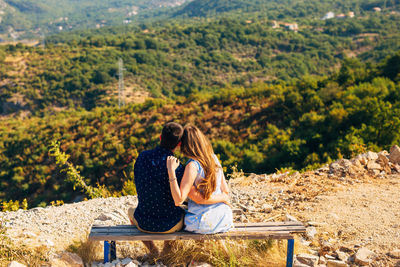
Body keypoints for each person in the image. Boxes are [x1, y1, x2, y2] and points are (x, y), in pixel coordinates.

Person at [128, 122, 230, 256]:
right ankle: (168, 251)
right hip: (170, 225)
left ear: (160, 137)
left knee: (130, 211)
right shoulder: (180, 167)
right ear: (179, 144)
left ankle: (153, 251)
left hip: (144, 222)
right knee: (181, 213)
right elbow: (185, 198)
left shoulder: (142, 157)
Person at [166, 124, 233, 234]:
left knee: (179, 216)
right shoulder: (214, 158)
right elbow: (225, 191)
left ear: (184, 145)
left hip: (202, 222)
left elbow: (195, 199)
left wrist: (171, 171)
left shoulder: (192, 166)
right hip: (224, 219)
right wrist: (223, 198)